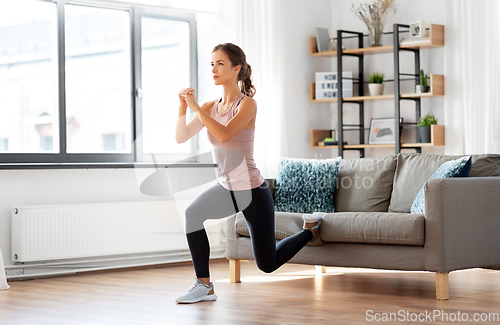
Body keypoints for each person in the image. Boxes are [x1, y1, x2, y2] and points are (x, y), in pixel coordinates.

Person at [175, 43, 323, 304]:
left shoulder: (247, 105)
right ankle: (204, 285)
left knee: (267, 264)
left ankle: (310, 230)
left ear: (236, 68)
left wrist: (196, 107)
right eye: (212, 64)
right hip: (226, 188)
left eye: (220, 63)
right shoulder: (210, 106)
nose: (214, 69)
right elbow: (181, 136)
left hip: (252, 191)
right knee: (192, 214)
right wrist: (182, 108)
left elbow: (224, 133)